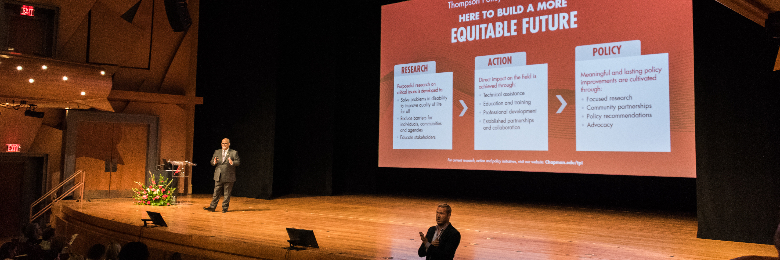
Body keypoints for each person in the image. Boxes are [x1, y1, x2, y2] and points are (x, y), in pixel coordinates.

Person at [204, 138, 240, 213]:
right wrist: (214, 162)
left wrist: (232, 162)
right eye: (222, 143)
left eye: (225, 143)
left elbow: (238, 162)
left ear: (229, 144)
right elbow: (212, 162)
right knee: (216, 192)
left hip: (229, 175)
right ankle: (212, 207)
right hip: (219, 175)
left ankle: (224, 208)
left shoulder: (233, 152)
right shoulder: (217, 151)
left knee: (227, 193)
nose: (224, 145)